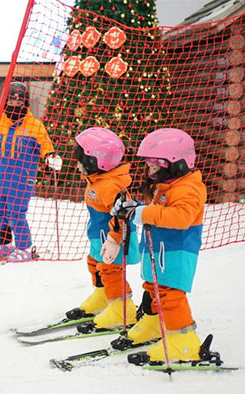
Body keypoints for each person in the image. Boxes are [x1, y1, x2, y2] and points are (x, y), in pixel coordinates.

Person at [111, 128, 207, 362]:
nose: (150, 170)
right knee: (153, 288)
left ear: (177, 164)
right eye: (149, 165)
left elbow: (181, 217)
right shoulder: (166, 185)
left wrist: (143, 212)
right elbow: (155, 212)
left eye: (156, 165)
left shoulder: (189, 188)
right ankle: (154, 324)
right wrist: (132, 208)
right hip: (159, 250)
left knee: (170, 293)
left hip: (177, 251)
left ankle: (184, 342)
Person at [0, 81, 62, 262]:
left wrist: (51, 157)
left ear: (26, 102)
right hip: (0, 177)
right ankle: (4, 245)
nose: (15, 104)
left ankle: (24, 247)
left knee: (16, 213)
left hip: (22, 179)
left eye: (19, 100)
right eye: (11, 99)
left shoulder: (35, 126)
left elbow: (45, 145)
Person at [66, 127, 140, 329]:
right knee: (94, 263)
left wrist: (114, 240)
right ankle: (102, 295)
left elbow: (123, 215)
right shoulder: (97, 181)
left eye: (81, 159)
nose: (77, 164)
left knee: (111, 271)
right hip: (99, 237)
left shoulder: (110, 186)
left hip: (114, 238)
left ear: (93, 161)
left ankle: (121, 309)